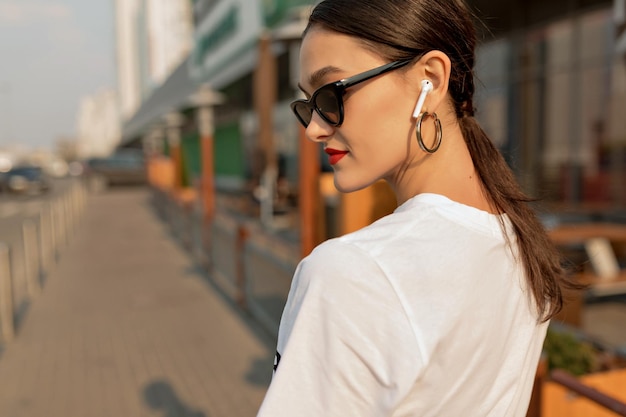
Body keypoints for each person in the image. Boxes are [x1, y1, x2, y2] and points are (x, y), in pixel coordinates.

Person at [257, 1, 575, 416]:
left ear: (430, 79)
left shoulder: (353, 272)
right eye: (307, 107)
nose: (315, 128)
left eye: (330, 94)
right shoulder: (517, 240)